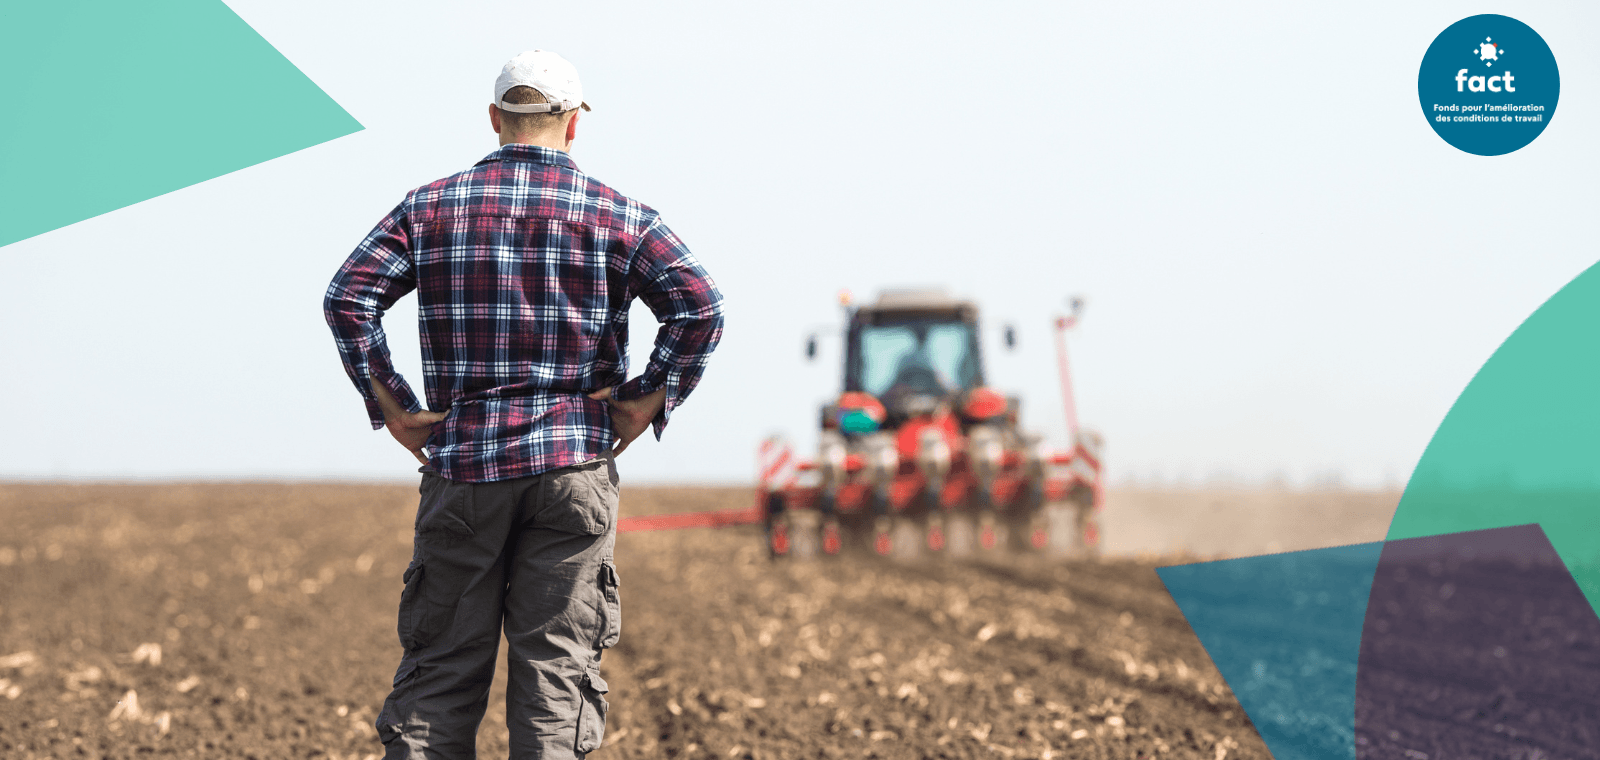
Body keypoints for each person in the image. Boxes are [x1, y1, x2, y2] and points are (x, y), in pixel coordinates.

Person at [322, 49, 724, 759]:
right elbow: (701, 306)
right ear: (574, 124)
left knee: (440, 672)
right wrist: (645, 401)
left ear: (494, 118)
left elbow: (348, 297)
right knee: (557, 679)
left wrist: (395, 408)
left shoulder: (428, 208)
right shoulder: (621, 215)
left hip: (466, 468)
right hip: (573, 466)